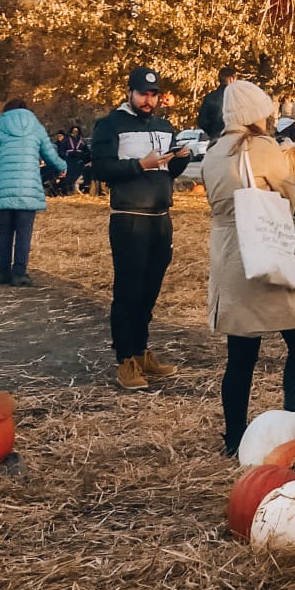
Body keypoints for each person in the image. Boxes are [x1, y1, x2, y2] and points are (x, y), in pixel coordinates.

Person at [200, 81, 295, 455]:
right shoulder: (263, 148)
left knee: (241, 356)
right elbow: (287, 195)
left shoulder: (214, 151)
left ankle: (234, 438)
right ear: (255, 114)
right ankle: (291, 425)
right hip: (267, 248)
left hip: (232, 257)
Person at [90, 68, 191, 391]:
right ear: (130, 93)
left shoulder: (164, 126)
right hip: (129, 217)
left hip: (161, 217)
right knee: (128, 291)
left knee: (150, 289)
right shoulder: (111, 125)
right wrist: (139, 165)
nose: (148, 100)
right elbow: (102, 168)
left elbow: (169, 170)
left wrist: (180, 158)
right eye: (143, 94)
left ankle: (141, 350)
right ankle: (125, 360)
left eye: (153, 94)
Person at [0, 99, 66, 287]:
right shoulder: (36, 126)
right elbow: (50, 154)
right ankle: (19, 273)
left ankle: (2, 272)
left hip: (3, 187)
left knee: (5, 232)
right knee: (24, 232)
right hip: (28, 188)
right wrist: (62, 167)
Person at [197, 67, 236, 144]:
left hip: (216, 139)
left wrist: (213, 132)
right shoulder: (238, 97)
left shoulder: (209, 97)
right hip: (235, 140)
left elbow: (202, 122)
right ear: (232, 78)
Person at [56, 122, 89, 194]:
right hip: (69, 161)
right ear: (71, 131)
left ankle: (77, 190)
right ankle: (68, 191)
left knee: (78, 177)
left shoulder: (82, 141)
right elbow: (61, 151)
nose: (75, 133)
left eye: (76, 131)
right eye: (74, 131)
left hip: (79, 161)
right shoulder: (66, 140)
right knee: (69, 177)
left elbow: (87, 152)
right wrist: (66, 156)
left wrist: (83, 156)